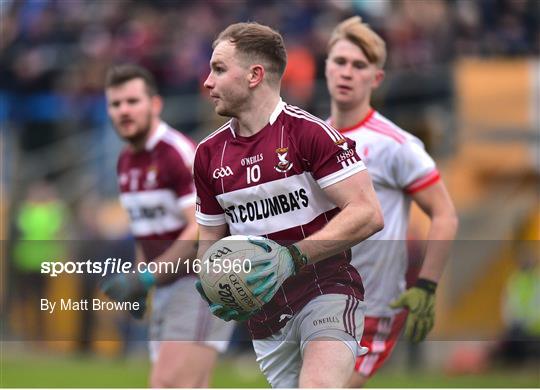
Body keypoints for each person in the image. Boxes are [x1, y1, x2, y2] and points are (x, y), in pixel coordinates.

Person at [194, 22, 384, 388]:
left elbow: (368, 213)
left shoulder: (308, 134)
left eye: (218, 69)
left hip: (325, 292)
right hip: (265, 317)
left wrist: (292, 257)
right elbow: (210, 240)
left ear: (255, 75)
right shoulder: (207, 155)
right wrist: (210, 280)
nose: (207, 81)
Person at [324, 16, 459, 387]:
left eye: (359, 65)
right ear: (326, 67)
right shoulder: (310, 139)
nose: (347, 72)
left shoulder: (394, 144)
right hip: (316, 304)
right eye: (340, 62)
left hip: (372, 308)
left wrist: (427, 285)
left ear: (376, 78)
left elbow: (445, 214)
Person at [102, 64, 234, 387]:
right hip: (165, 288)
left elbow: (202, 227)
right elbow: (143, 232)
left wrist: (148, 275)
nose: (124, 111)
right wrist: (141, 284)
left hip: (200, 285)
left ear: (155, 104)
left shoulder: (176, 153)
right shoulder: (125, 161)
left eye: (133, 101)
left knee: (166, 384)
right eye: (116, 104)